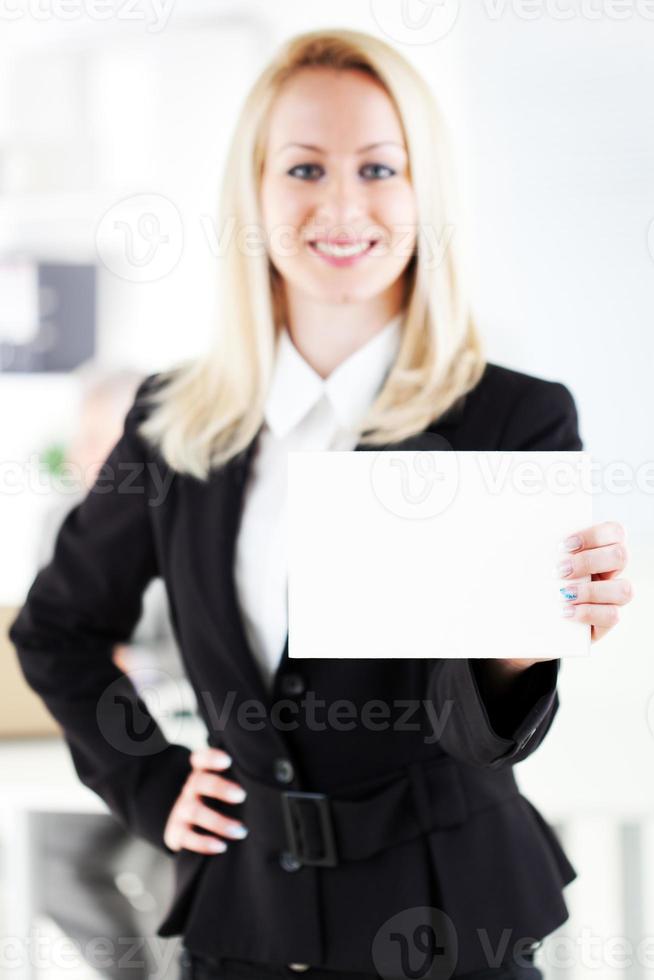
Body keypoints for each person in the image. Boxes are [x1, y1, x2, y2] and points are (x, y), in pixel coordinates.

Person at [9, 28, 633, 980]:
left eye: (380, 167)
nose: (342, 205)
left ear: (424, 195)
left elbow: (477, 734)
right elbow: (57, 628)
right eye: (304, 168)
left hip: (451, 921)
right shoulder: (176, 421)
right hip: (245, 924)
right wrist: (148, 782)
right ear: (254, 195)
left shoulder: (513, 417)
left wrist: (523, 642)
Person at [32, 365, 194, 980]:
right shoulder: (63, 523)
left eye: (110, 438)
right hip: (96, 746)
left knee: (180, 863)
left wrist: (139, 667)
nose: (88, 454)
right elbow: (53, 641)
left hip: (189, 745)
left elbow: (214, 650)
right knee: (45, 855)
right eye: (90, 437)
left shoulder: (194, 519)